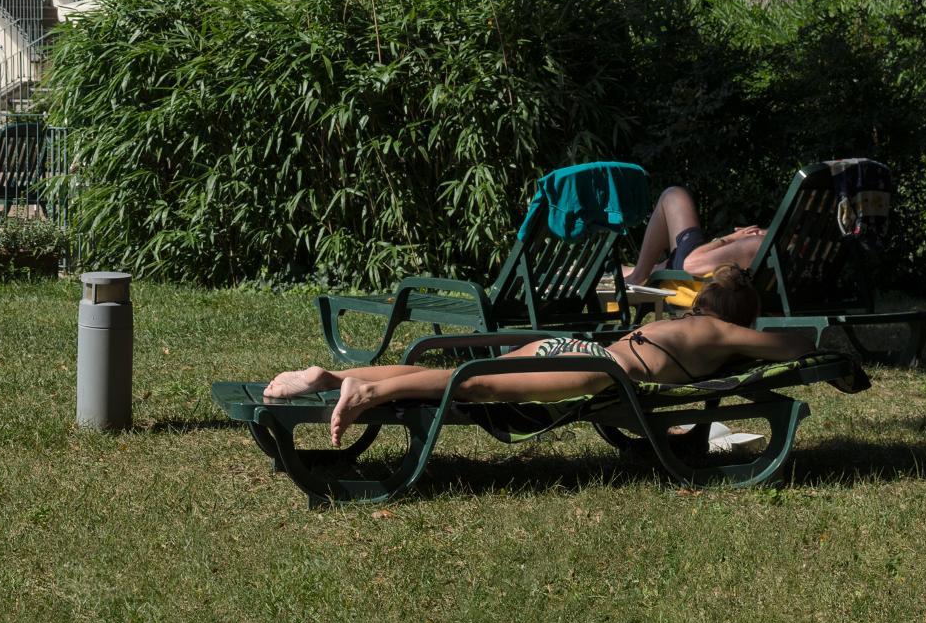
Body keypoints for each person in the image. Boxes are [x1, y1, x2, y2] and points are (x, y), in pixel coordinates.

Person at [263, 266, 815, 444]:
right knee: (474, 386)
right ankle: (369, 391)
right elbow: (790, 345)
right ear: (736, 314)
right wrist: (818, 343)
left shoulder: (685, 321)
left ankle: (331, 375)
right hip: (594, 370)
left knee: (459, 372)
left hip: (573, 347)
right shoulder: (720, 332)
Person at [624, 184, 764, 286]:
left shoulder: (758, 245)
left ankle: (637, 276)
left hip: (690, 274)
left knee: (673, 196)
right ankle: (636, 272)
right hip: (695, 263)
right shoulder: (773, 243)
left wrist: (731, 239)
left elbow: (689, 264)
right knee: (673, 195)